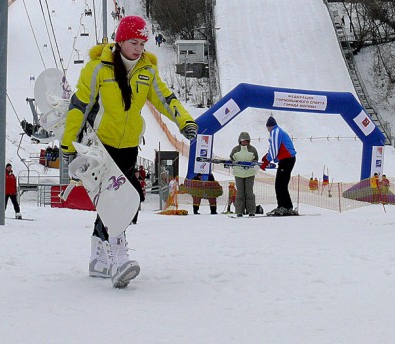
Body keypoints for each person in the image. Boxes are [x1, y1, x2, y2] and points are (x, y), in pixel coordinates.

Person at [61, 15, 198, 288]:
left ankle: (98, 257)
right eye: (133, 42)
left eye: (142, 44)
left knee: (119, 199)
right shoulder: (98, 68)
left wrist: (185, 121)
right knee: (116, 200)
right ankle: (119, 259)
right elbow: (79, 105)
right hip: (101, 147)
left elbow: (165, 98)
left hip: (128, 147)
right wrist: (68, 145)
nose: (138, 48)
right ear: (121, 40)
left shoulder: (147, 70)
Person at [260, 116, 298, 216]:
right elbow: (274, 148)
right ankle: (285, 205)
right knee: (281, 184)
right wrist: (267, 156)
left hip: (287, 159)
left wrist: (267, 161)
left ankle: (285, 206)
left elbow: (274, 149)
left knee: (280, 184)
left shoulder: (275, 132)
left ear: (269, 127)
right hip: (286, 159)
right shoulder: (277, 131)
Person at [229, 131, 259, 216]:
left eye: (246, 141)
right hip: (238, 174)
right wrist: (233, 163)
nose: (245, 142)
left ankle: (251, 211)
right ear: (240, 141)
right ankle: (239, 211)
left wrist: (253, 163)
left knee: (249, 192)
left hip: (250, 173)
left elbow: (256, 159)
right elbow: (231, 158)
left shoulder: (252, 149)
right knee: (240, 193)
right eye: (243, 141)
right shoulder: (235, 149)